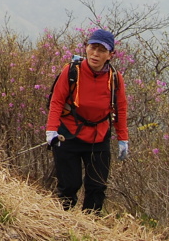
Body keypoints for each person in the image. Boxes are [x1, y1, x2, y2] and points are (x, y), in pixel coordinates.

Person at [45, 29, 129, 212]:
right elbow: (57, 100)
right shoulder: (72, 71)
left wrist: (123, 139)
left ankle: (91, 225)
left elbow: (120, 109)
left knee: (97, 187)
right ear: (86, 48)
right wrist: (51, 130)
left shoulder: (115, 79)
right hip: (68, 134)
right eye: (92, 48)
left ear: (110, 55)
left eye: (101, 50)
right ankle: (62, 221)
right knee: (69, 185)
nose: (95, 54)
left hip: (99, 138)